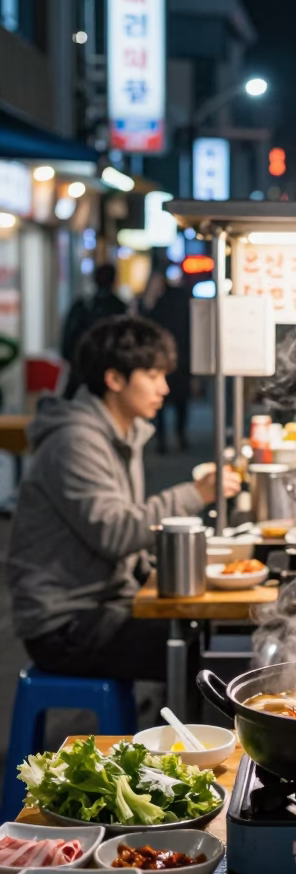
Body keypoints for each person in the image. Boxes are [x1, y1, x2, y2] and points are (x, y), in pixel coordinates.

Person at [8, 315, 240, 681]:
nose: (164, 388)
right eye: (152, 376)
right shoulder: (75, 442)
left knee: (214, 641)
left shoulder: (120, 434)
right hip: (65, 623)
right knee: (213, 660)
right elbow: (116, 532)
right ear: (114, 379)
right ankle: (178, 734)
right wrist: (198, 494)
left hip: (105, 604)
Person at [61, 264, 127, 399]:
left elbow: (67, 341)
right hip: (110, 376)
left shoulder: (82, 305)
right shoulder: (120, 308)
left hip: (80, 372)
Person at [147, 274, 192, 453]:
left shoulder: (159, 303)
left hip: (160, 359)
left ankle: (162, 438)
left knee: (161, 401)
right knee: (181, 400)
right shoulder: (185, 301)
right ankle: (180, 434)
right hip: (181, 358)